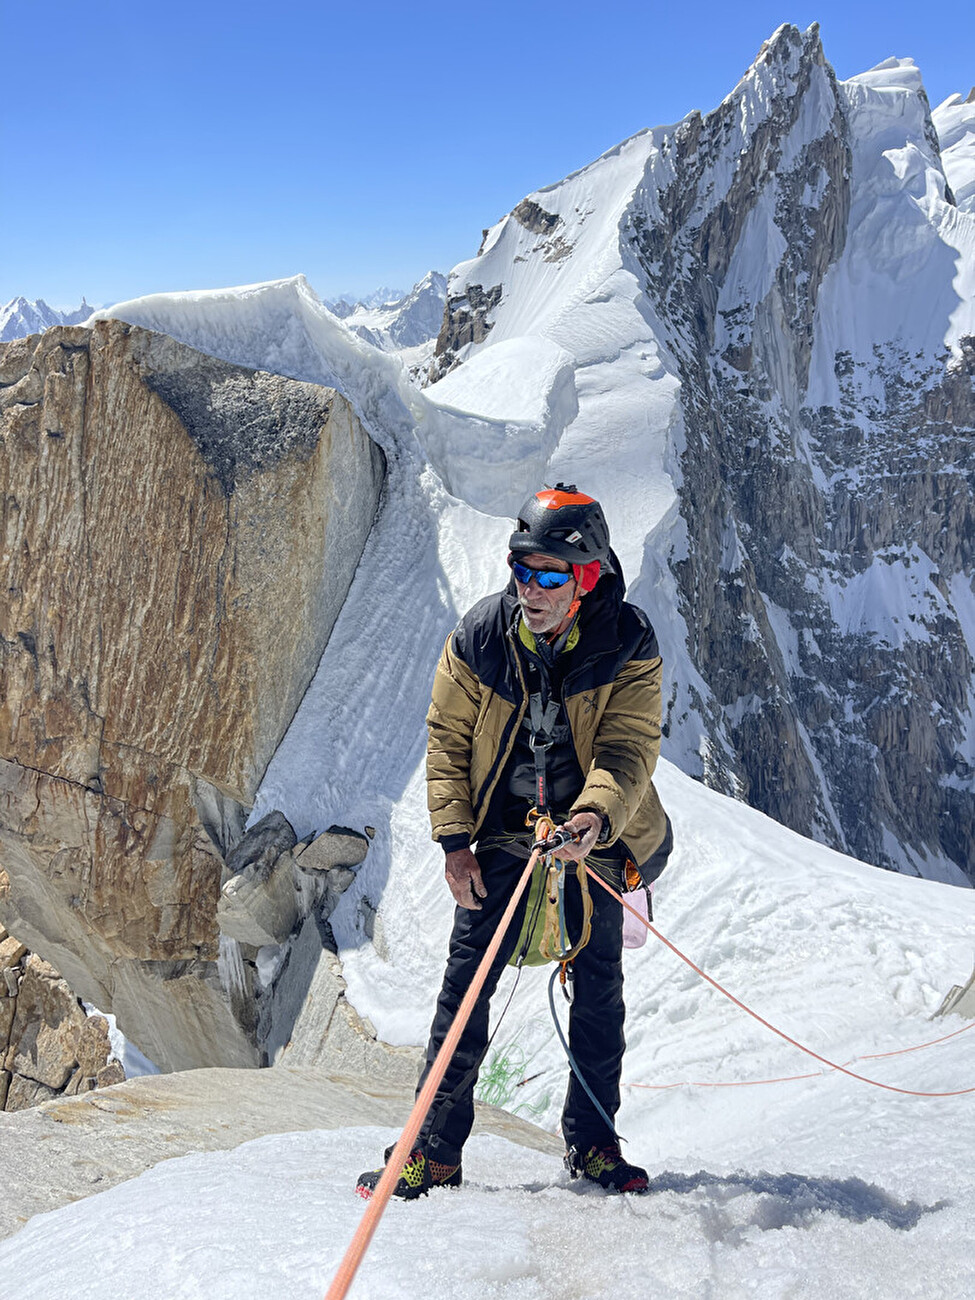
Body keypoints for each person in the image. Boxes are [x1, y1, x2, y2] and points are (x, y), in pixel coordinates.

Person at [357, 484, 670, 1200]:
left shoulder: (627, 641)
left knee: (598, 992)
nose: (530, 587)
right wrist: (454, 841)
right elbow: (447, 740)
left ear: (586, 578)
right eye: (521, 569)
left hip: (593, 837)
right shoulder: (480, 635)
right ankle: (431, 1150)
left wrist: (592, 819)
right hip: (503, 834)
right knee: (465, 990)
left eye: (549, 575)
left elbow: (626, 747)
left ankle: (592, 1144)